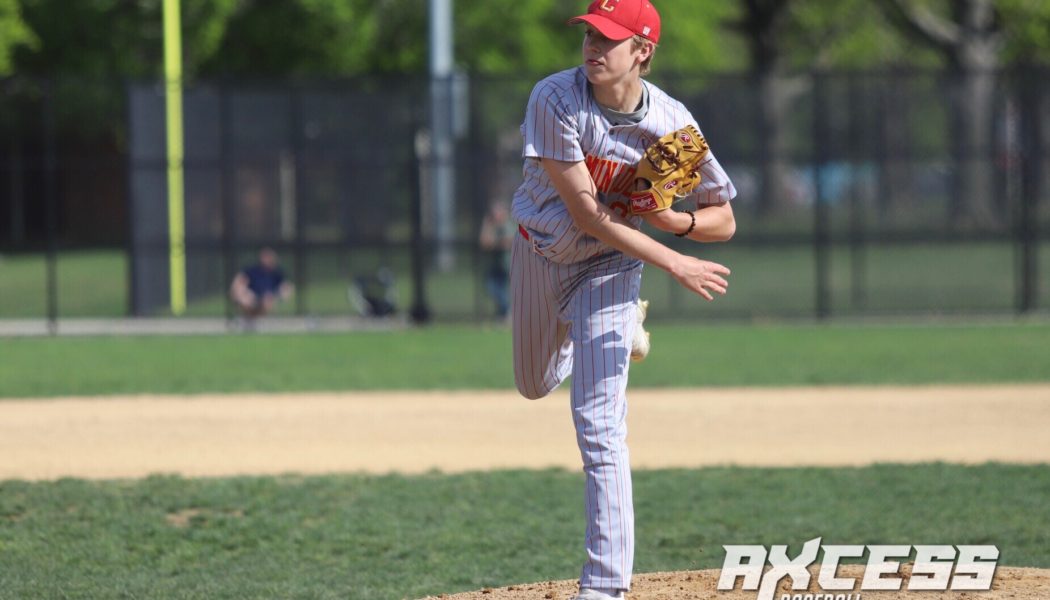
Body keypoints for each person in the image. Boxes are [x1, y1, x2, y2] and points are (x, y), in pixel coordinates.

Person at [510, 2, 737, 599]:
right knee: (533, 384)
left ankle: (604, 589)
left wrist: (673, 220)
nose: (592, 46)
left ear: (643, 51)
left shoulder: (671, 123)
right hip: (542, 251)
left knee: (599, 424)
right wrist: (674, 259)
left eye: (608, 38)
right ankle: (597, 338)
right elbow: (586, 214)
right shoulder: (556, 99)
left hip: (612, 268)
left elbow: (725, 220)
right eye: (589, 33)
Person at [229, 247, 294, 324]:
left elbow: (287, 286)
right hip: (252, 297)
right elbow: (238, 282)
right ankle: (247, 320)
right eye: (266, 257)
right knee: (246, 299)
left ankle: (258, 321)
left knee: (267, 301)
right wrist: (241, 293)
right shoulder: (252, 270)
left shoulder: (277, 273)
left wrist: (277, 296)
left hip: (268, 299)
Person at [478, 201, 514, 319]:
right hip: (495, 267)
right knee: (491, 287)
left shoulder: (508, 225)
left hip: (507, 265)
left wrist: (495, 243)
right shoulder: (491, 226)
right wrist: (486, 224)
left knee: (507, 291)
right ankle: (505, 311)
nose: (496, 215)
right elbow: (485, 242)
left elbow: (508, 241)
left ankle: (506, 312)